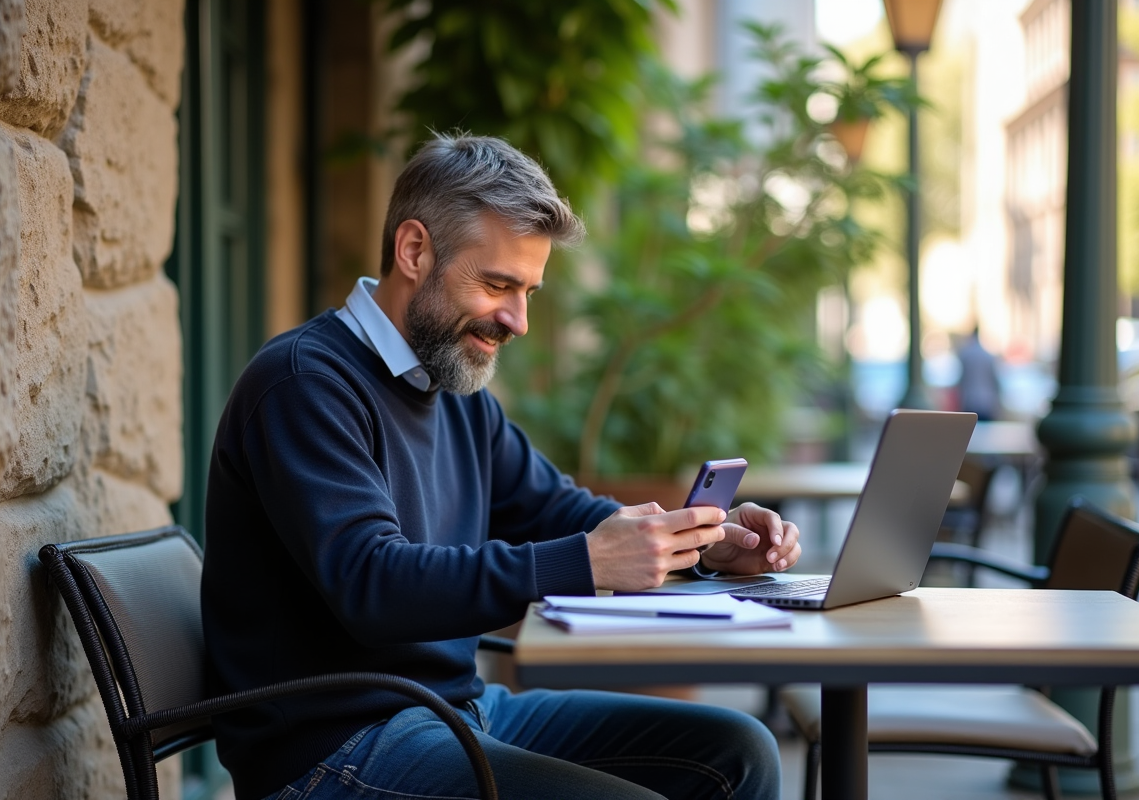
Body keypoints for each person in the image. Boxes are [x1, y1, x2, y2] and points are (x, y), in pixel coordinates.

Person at [201, 133, 803, 800]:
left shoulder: (450, 389)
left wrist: (705, 545)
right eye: (497, 284)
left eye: (529, 291)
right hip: (332, 749)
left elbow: (562, 511)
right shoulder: (303, 383)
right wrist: (587, 562)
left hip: (457, 710)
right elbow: (371, 584)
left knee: (739, 752)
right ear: (414, 250)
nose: (516, 319)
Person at [956, 326, 1003, 421]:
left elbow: (962, 379)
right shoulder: (988, 356)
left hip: (969, 401)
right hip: (986, 401)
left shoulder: (965, 354)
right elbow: (994, 380)